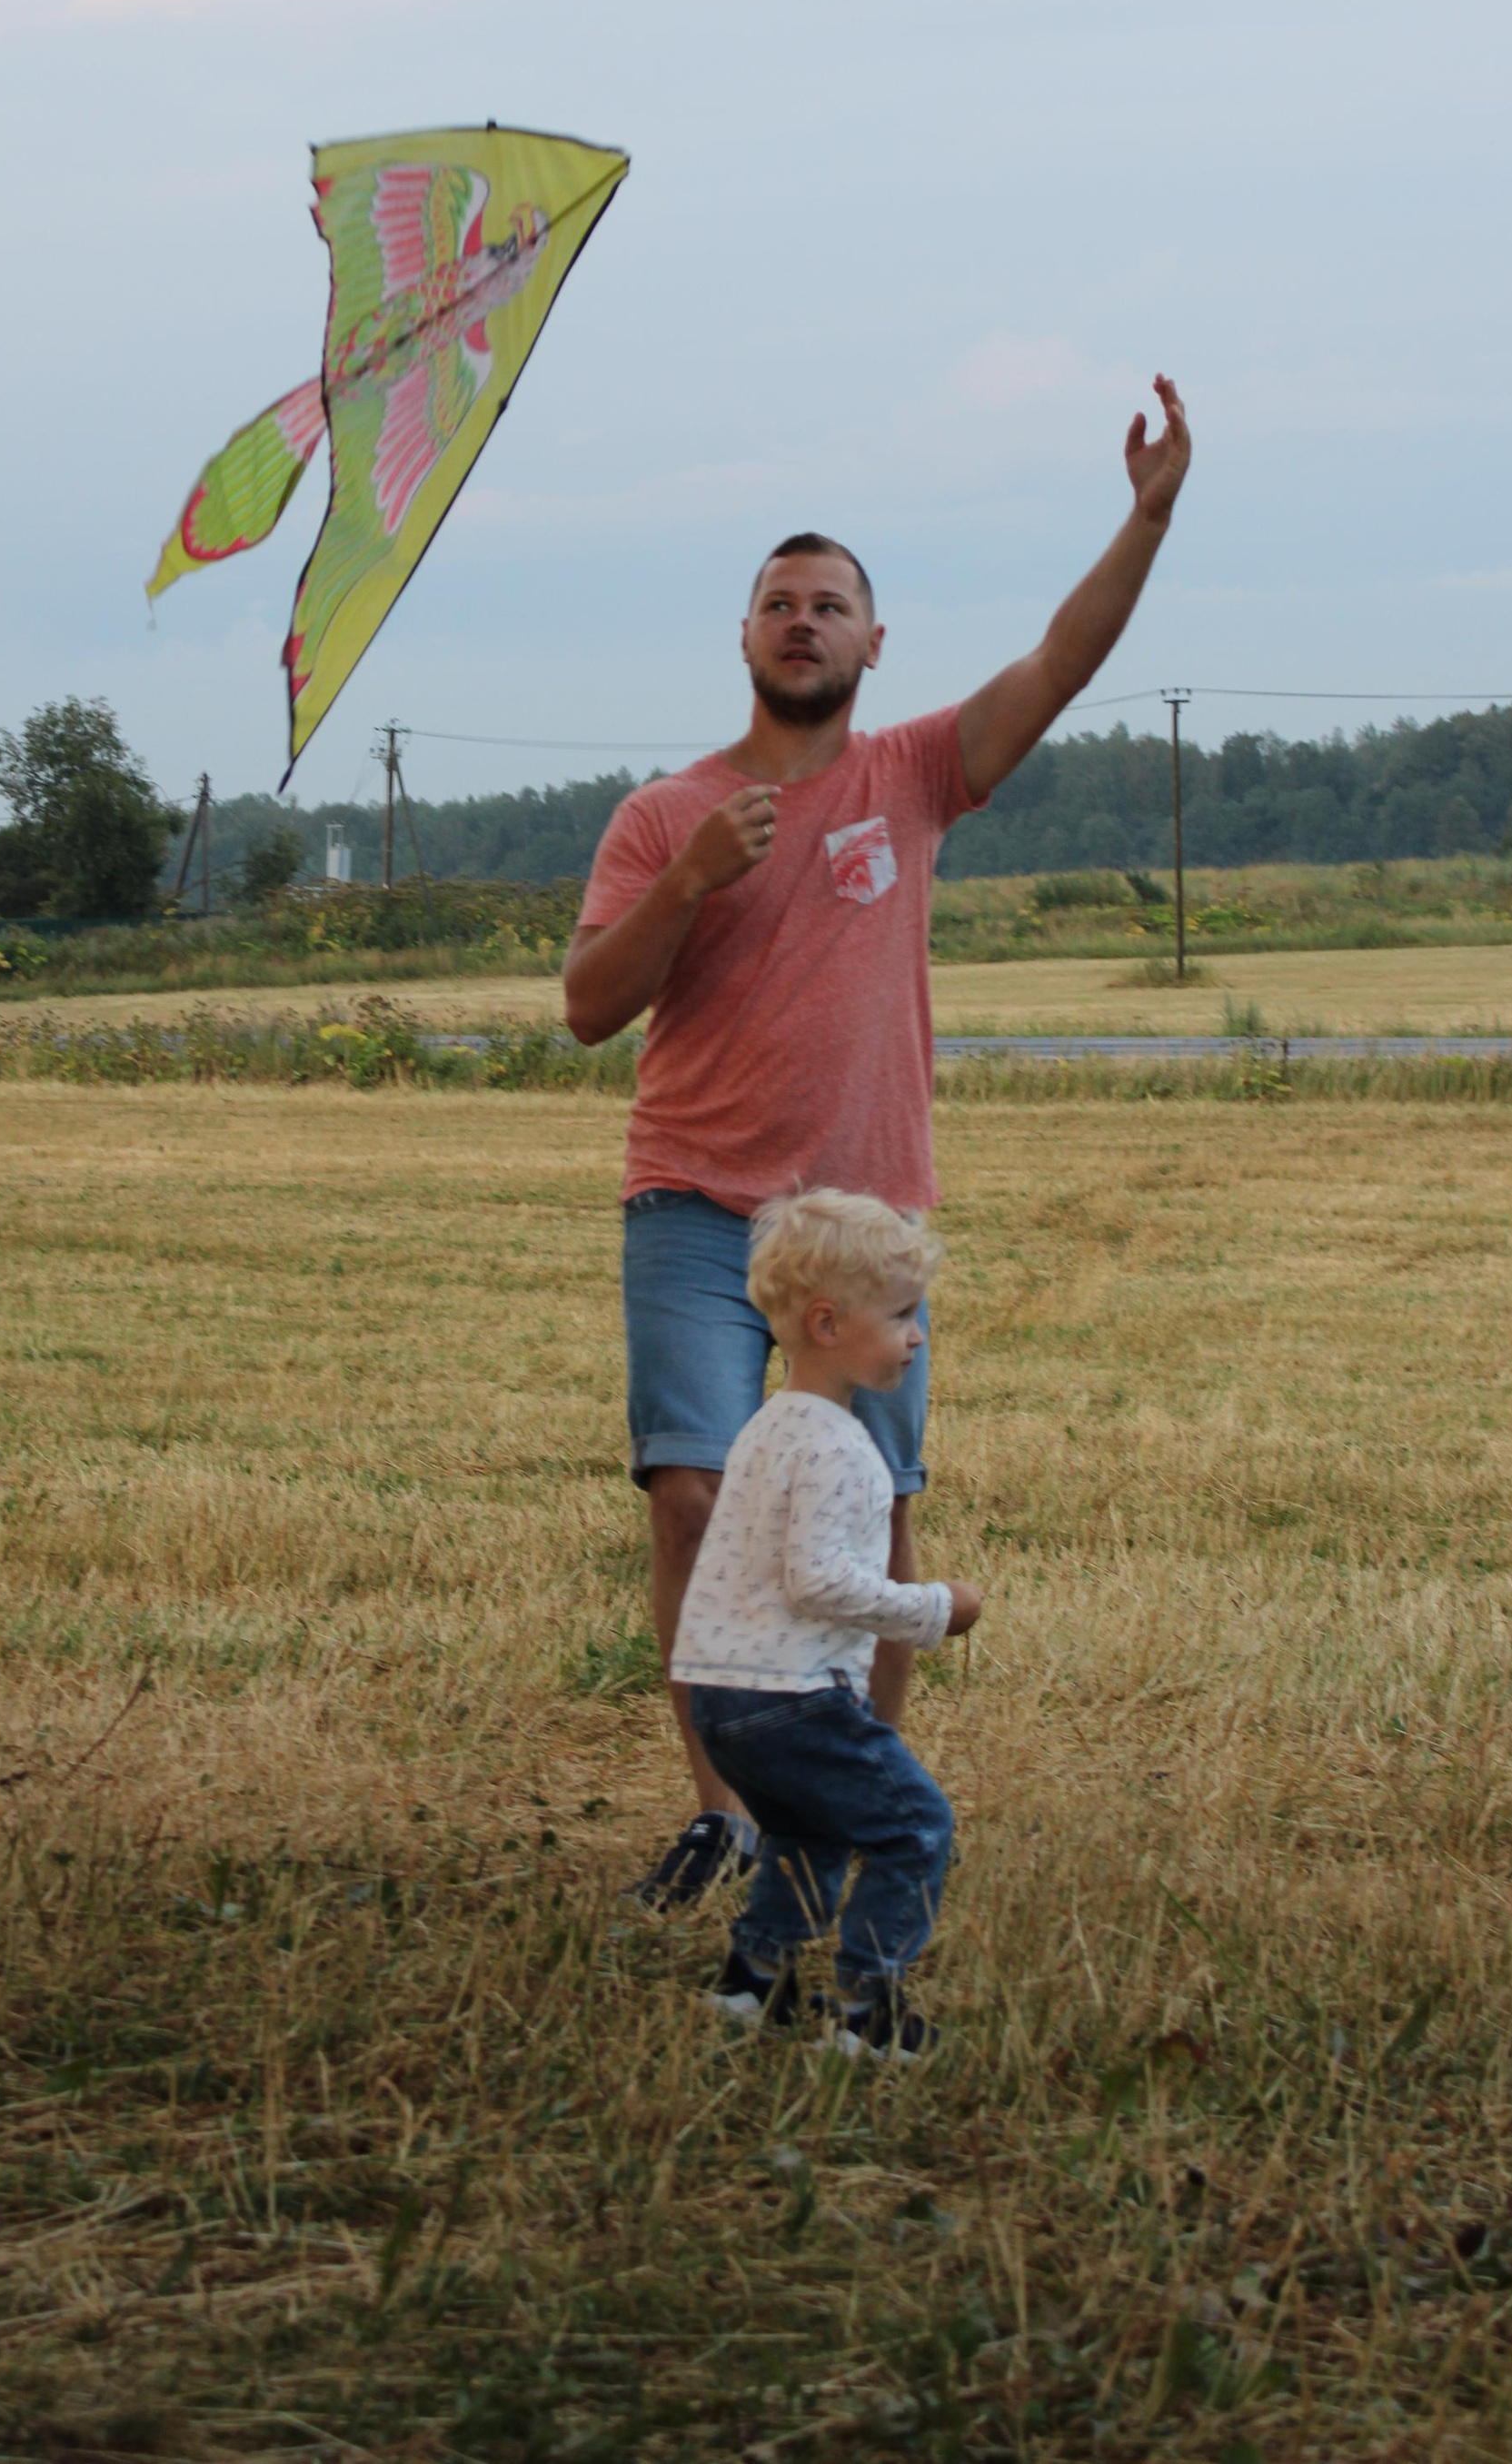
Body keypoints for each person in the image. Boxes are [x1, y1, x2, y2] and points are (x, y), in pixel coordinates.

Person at [566, 376, 1189, 1908]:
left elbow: (1060, 661)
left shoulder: (911, 778)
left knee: (878, 1518)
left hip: (864, 1222)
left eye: (829, 603)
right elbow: (590, 1005)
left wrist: (1151, 514)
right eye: (777, 602)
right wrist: (694, 880)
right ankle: (725, 1803)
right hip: (699, 1208)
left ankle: (842, 1807)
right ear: (743, 636)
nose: (801, 621)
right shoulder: (666, 816)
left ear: (870, 642)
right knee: (697, 1493)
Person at [671, 1188, 982, 2058]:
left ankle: (750, 1982)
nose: (916, 1337)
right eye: (903, 1316)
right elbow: (819, 1584)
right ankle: (867, 2010)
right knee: (915, 1827)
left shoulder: (764, 1430)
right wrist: (931, 1611)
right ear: (827, 1323)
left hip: (721, 1699)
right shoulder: (840, 1448)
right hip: (794, 1697)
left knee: (811, 1832)